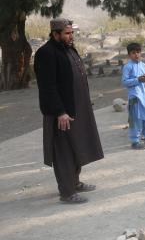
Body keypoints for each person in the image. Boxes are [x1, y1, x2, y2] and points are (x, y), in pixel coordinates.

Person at [33, 17, 103, 203]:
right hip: (61, 113)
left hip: (76, 108)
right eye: (67, 33)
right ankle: (66, 192)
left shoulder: (68, 48)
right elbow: (48, 87)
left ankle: (75, 182)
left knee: (77, 145)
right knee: (63, 151)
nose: (71, 36)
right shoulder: (46, 53)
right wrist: (60, 112)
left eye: (72, 33)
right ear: (55, 34)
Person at [121, 42, 145, 149]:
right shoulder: (127, 67)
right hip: (135, 96)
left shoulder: (143, 65)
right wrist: (137, 80)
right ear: (129, 55)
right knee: (135, 119)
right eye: (133, 53)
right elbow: (124, 82)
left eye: (138, 52)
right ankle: (135, 140)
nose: (136, 55)